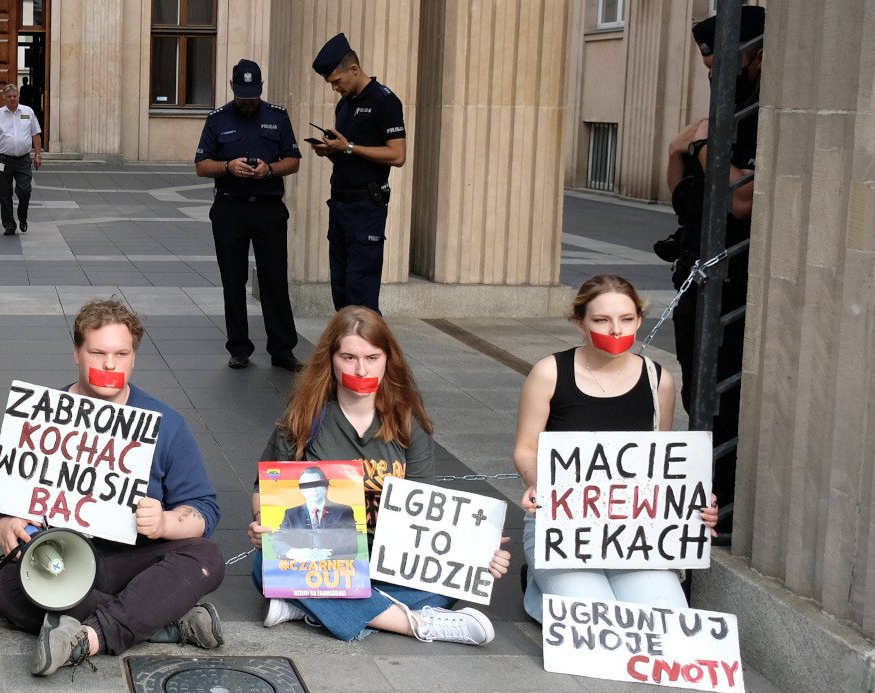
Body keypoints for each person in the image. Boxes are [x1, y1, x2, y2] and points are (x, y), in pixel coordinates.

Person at [0, 297, 227, 677]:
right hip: (59, 562)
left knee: (206, 558)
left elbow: (204, 509)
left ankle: (86, 638)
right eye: (98, 352)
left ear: (134, 358)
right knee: (6, 588)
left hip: (136, 561)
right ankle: (162, 619)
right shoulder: (42, 415)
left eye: (121, 353)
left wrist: (166, 523)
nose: (110, 364)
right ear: (77, 352)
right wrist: (1, 521)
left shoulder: (166, 423)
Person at [247, 306, 509, 645]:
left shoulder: (406, 425)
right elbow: (262, 490)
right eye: (349, 357)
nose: (361, 368)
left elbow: (431, 516)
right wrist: (260, 522)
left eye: (372, 357)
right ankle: (416, 623)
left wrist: (475, 553)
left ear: (388, 360)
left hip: (391, 565)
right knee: (263, 564)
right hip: (328, 561)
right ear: (331, 360)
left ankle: (306, 606)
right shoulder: (303, 420)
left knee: (451, 581)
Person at [512, 276, 716, 622]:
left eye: (626, 319)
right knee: (594, 618)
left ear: (639, 320)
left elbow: (659, 463)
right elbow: (526, 447)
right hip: (564, 524)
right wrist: (536, 481)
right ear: (579, 323)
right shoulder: (550, 372)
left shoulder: (658, 380)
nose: (616, 330)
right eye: (601, 320)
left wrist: (692, 505)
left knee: (664, 621)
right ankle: (538, 581)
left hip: (633, 530)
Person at [665, 6, 763, 535]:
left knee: (726, 398)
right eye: (708, 69)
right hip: (696, 273)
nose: (714, 77)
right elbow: (683, 191)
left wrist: (702, 149)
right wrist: (682, 152)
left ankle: (722, 510)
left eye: (724, 65)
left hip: (738, 281)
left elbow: (742, 201)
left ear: (758, 56)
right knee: (697, 394)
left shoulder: (762, 115)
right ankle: (706, 496)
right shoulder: (722, 111)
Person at [194, 59, 304, 372]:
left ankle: (282, 350)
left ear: (260, 90)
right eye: (242, 97)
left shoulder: (277, 116)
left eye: (253, 97)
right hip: (231, 208)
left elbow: (293, 160)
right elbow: (201, 165)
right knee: (233, 280)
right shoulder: (217, 119)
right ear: (232, 88)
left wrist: (270, 169)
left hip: (269, 209)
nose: (247, 102)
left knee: (274, 281)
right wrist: (227, 166)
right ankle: (239, 348)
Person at [309, 33, 407, 314]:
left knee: (360, 292)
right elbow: (351, 153)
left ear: (353, 69)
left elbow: (397, 155)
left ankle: (367, 352)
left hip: (366, 207)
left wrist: (349, 147)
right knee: (340, 288)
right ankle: (346, 353)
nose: (334, 89)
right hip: (339, 204)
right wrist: (333, 151)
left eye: (336, 81)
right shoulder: (345, 104)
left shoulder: (384, 101)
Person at [0, 83, 43, 236]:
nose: (12, 99)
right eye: (9, 96)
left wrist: (37, 155)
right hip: (4, 160)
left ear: (19, 97)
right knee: (5, 193)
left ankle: (22, 217)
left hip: (23, 160)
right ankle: (9, 225)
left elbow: (36, 135)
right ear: (4, 97)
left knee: (24, 191)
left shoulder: (28, 112)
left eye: (15, 96)